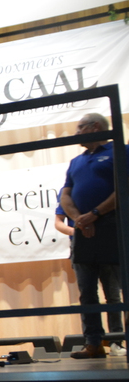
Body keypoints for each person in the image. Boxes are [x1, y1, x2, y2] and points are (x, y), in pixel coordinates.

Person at [60, 112, 128, 359]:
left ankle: (120, 339)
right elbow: (65, 195)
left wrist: (96, 214)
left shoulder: (120, 151)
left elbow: (124, 187)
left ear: (95, 127)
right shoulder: (76, 162)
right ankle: (94, 343)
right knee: (87, 291)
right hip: (83, 231)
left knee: (121, 289)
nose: (76, 133)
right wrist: (80, 218)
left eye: (80, 128)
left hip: (114, 226)